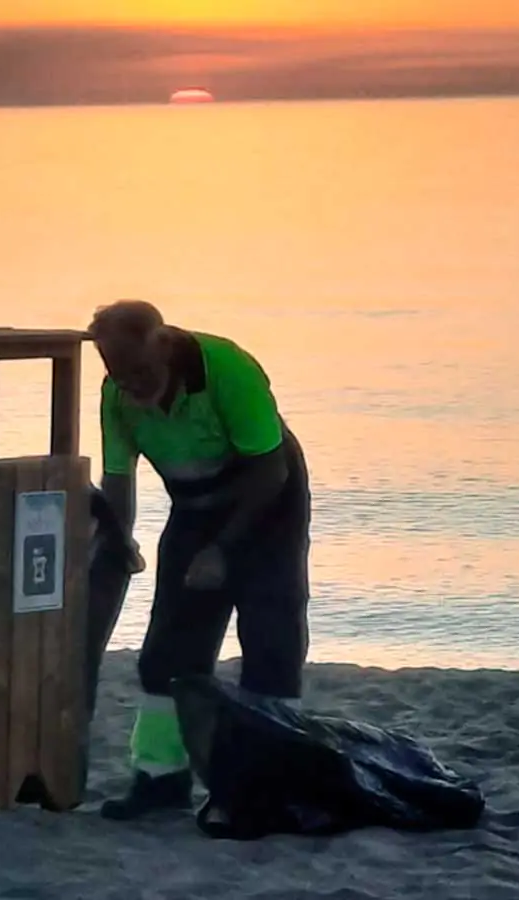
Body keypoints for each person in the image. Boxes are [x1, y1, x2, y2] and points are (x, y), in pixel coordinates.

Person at [87, 298, 312, 821]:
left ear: (163, 344)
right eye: (119, 375)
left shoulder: (227, 369)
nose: (133, 386)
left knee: (269, 639)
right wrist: (118, 541)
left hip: (267, 498)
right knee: (167, 647)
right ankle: (160, 779)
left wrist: (223, 550)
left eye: (141, 371)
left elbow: (269, 470)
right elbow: (118, 479)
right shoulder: (116, 396)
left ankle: (265, 785)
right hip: (193, 504)